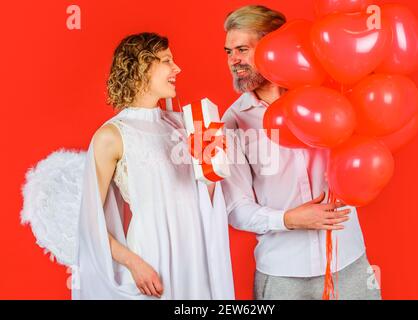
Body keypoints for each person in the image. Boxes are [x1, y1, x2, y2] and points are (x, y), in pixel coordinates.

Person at [221, 5, 381, 300]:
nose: (234, 60)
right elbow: (235, 208)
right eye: (228, 52)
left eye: (242, 49)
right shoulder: (232, 122)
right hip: (282, 274)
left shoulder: (334, 93)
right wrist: (289, 219)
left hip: (349, 260)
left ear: (274, 47)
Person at [73, 32, 234, 299]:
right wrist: (135, 265)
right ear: (142, 66)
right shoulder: (112, 135)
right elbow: (89, 222)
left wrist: (213, 167)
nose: (177, 69)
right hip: (151, 258)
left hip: (195, 255)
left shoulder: (181, 126)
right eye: (167, 60)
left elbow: (199, 198)